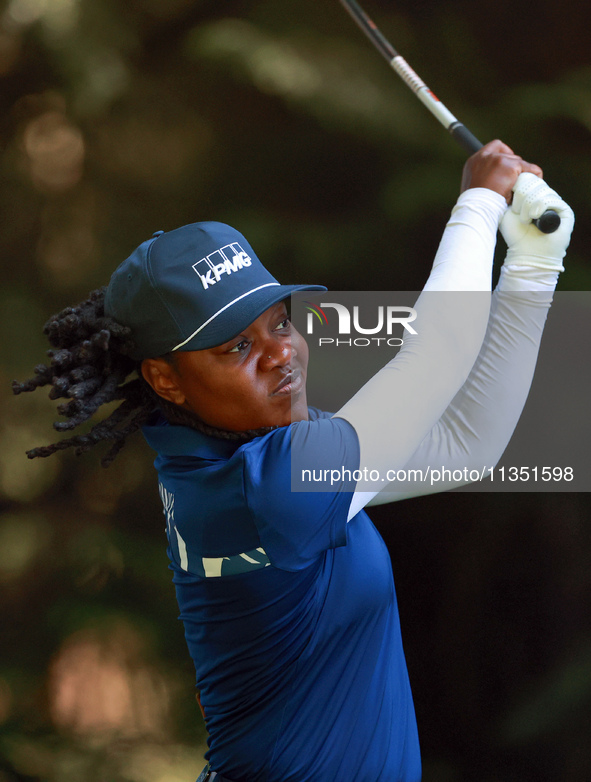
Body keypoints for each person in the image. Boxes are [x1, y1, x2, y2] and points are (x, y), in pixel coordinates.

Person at [13, 140, 574, 782]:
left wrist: (532, 265)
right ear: (165, 381)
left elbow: (463, 446)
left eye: (279, 323)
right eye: (235, 347)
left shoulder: (243, 460)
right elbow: (437, 358)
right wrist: (477, 202)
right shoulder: (270, 488)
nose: (280, 354)